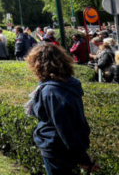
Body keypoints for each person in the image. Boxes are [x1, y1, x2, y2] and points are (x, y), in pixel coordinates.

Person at [26, 44, 99, 174]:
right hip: (65, 146)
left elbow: (64, 128)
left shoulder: (51, 90)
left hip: (57, 148)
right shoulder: (68, 83)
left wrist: (83, 158)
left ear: (38, 65)